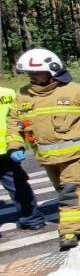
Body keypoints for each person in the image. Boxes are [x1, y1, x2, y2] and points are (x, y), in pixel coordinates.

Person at [7, 49, 80, 250]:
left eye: (37, 73)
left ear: (53, 71)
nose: (32, 77)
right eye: (29, 74)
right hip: (47, 158)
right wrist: (15, 144)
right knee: (68, 188)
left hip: (78, 156)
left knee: (70, 192)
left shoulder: (76, 91)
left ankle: (69, 231)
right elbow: (13, 122)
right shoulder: (23, 95)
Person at [0, 85, 45, 236]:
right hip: (7, 148)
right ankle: (32, 220)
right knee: (17, 185)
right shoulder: (8, 93)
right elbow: (20, 118)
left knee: (18, 186)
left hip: (8, 148)